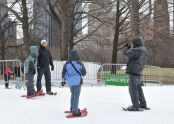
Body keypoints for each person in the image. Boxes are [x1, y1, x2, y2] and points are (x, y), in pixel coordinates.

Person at [123, 37, 150, 111]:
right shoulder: (143, 49)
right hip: (139, 71)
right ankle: (143, 104)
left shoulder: (137, 50)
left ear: (136, 43)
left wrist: (125, 48)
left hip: (133, 72)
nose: (133, 45)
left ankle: (135, 106)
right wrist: (130, 49)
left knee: (132, 89)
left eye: (134, 43)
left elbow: (126, 54)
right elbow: (133, 55)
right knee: (138, 88)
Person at [61, 50, 87, 116]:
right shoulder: (79, 63)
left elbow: (64, 73)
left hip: (70, 82)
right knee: (76, 96)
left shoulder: (67, 64)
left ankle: (72, 108)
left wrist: (63, 81)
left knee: (73, 94)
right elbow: (84, 73)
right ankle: (75, 111)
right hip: (77, 81)